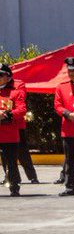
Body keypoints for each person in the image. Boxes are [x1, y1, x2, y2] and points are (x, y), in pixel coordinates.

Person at [53, 58, 74, 197]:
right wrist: (68, 114)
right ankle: (70, 186)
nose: (71, 73)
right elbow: (58, 105)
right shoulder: (61, 86)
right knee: (70, 160)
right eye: (69, 70)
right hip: (69, 129)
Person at [0, 64, 28, 196]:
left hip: (9, 134)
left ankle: (14, 186)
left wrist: (7, 114)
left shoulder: (15, 92)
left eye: (0, 75)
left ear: (8, 77)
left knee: (11, 161)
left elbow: (21, 109)